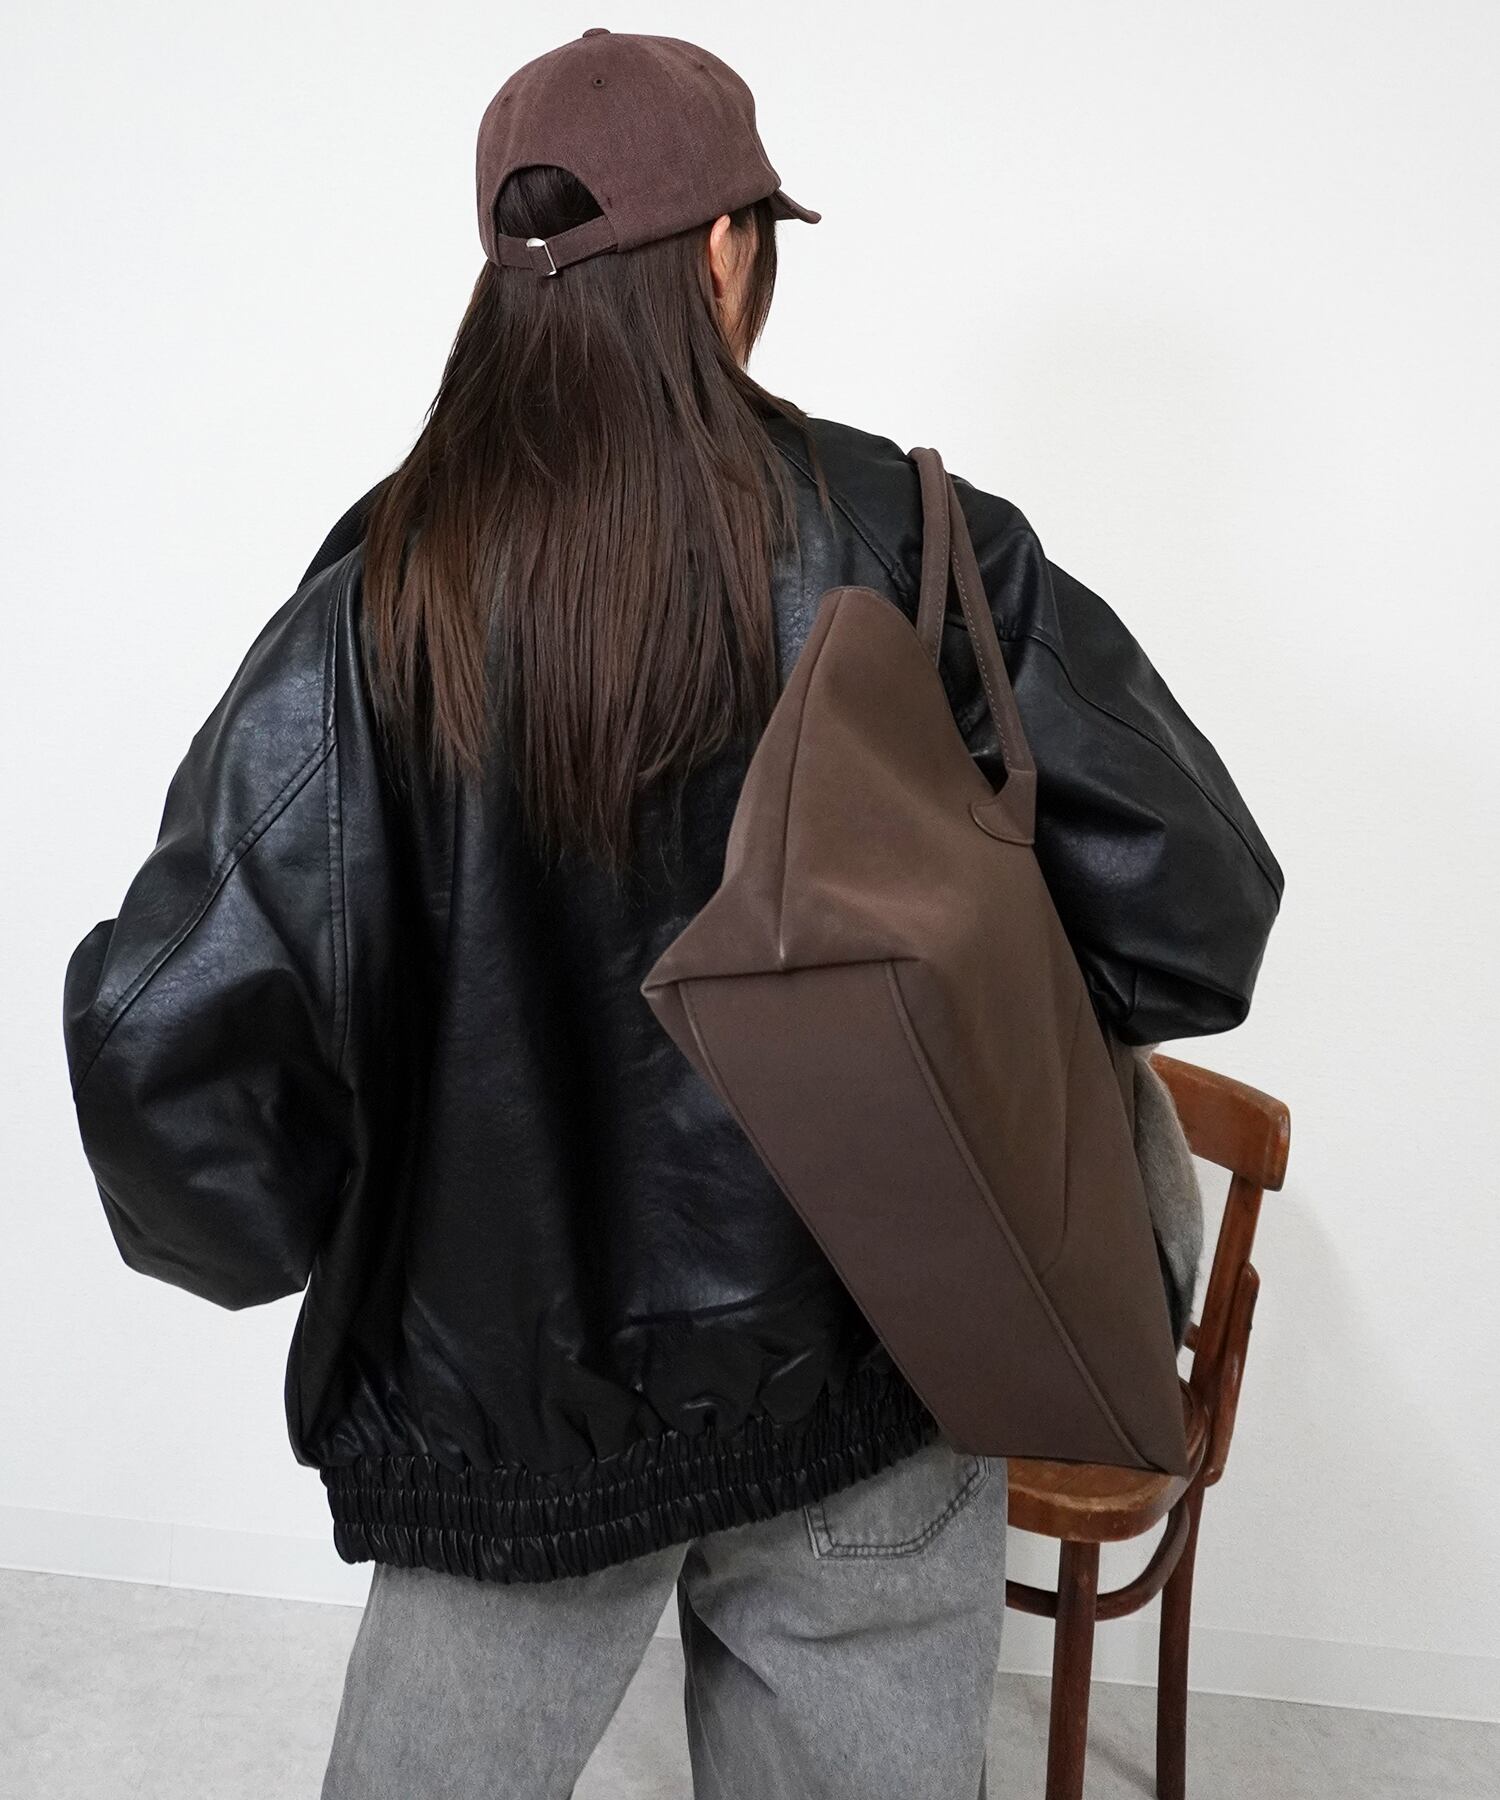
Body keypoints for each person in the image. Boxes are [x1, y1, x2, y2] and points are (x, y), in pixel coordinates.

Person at [59, 28, 1283, 1800]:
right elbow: (1194, 918)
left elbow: (160, 1044)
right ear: (725, 250)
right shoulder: (921, 543)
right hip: (884, 1363)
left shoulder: (382, 602)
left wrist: (347, 1226)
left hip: (502, 1410)